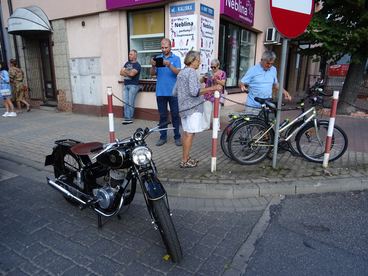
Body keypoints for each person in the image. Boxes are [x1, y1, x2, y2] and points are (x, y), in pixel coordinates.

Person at [173, 51, 222, 168]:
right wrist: (213, 87)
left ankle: (185, 158)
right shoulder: (191, 72)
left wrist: (199, 82)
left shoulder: (181, 73)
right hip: (192, 108)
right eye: (198, 60)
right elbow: (194, 92)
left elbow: (174, 92)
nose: (199, 63)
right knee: (190, 134)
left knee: (186, 133)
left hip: (183, 108)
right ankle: (184, 161)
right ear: (192, 60)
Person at [150, 38, 182, 147]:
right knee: (163, 116)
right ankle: (162, 137)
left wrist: (169, 65)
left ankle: (177, 136)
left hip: (173, 92)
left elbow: (178, 72)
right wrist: (153, 65)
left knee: (175, 115)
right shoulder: (158, 58)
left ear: (170, 47)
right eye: (162, 47)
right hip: (160, 92)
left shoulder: (176, 58)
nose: (164, 49)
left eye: (166, 47)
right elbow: (152, 74)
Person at [239, 50, 291, 115]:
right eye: (267, 63)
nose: (269, 66)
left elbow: (276, 84)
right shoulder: (253, 70)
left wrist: (285, 92)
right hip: (253, 106)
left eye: (271, 63)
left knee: (265, 125)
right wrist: (242, 86)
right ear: (262, 60)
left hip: (267, 104)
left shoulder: (273, 69)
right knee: (251, 124)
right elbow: (242, 82)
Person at [201, 59, 226, 130]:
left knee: (216, 112)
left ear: (218, 66)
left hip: (217, 95)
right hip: (208, 95)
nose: (213, 69)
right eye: (211, 67)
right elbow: (201, 81)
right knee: (206, 111)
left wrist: (215, 79)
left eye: (214, 67)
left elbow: (223, 83)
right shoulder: (209, 72)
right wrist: (203, 77)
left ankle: (216, 127)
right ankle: (205, 126)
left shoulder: (222, 73)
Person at [120, 49, 141, 125]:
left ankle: (130, 118)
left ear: (135, 56)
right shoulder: (127, 63)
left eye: (131, 54)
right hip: (126, 85)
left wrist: (125, 71)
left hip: (133, 86)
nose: (129, 56)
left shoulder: (137, 65)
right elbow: (120, 72)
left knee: (130, 102)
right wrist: (128, 72)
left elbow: (132, 74)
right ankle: (126, 117)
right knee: (125, 102)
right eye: (129, 54)